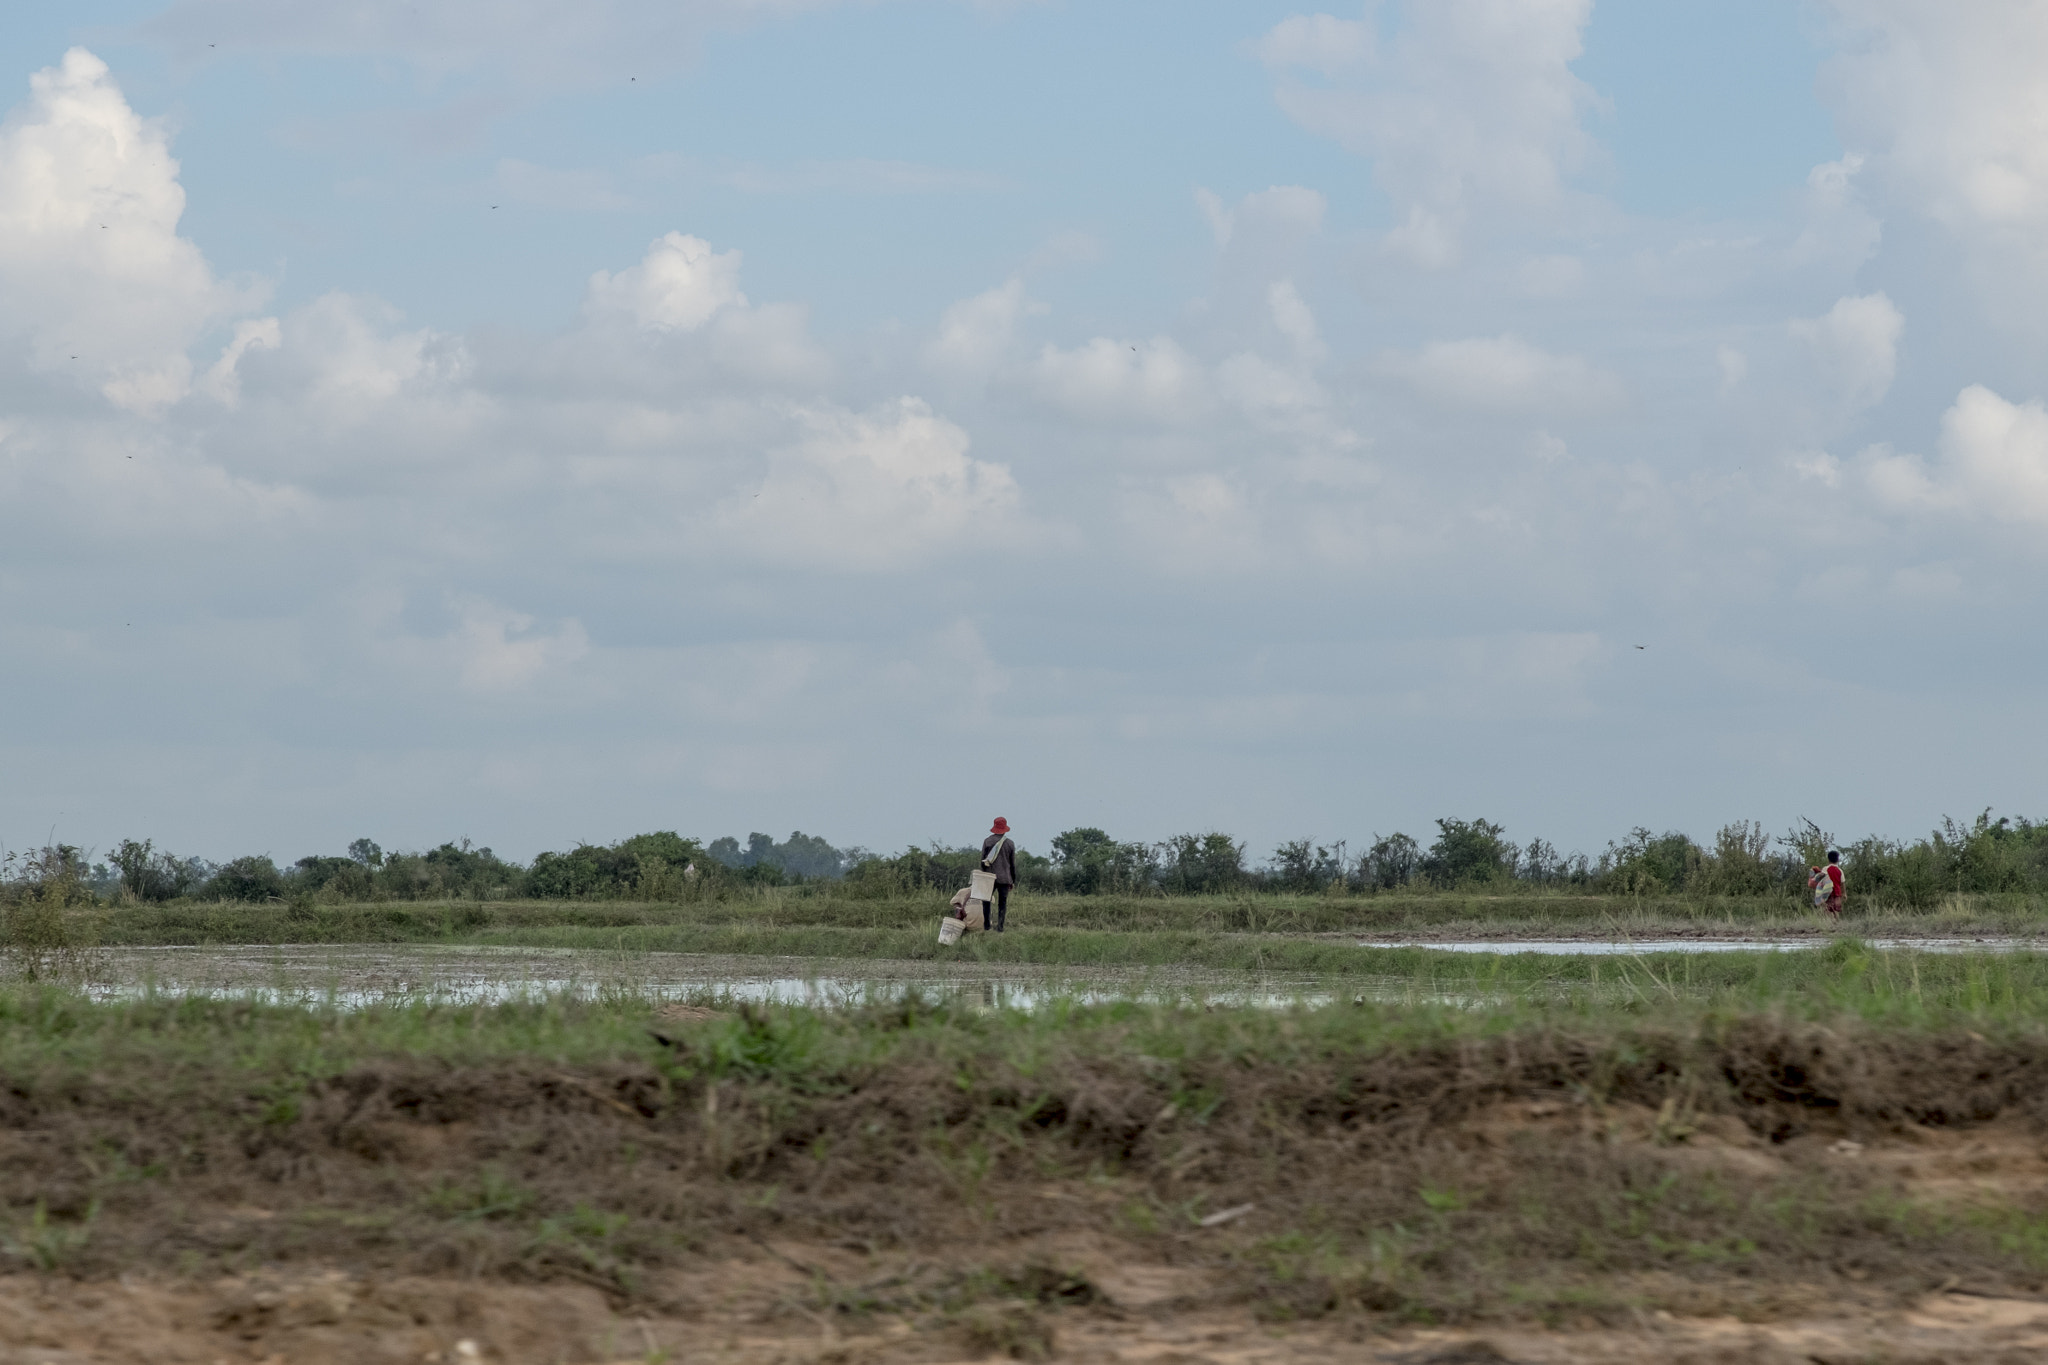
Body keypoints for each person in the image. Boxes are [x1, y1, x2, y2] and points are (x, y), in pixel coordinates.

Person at [980, 817, 1017, 933]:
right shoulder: (1010, 844)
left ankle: (987, 926)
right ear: (1005, 829)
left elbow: (983, 861)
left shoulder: (987, 841)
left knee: (986, 901)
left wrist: (984, 874)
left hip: (989, 877)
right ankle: (1000, 928)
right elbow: (1012, 864)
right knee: (1002, 903)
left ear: (994, 827)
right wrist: (1012, 880)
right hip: (1005, 878)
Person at [1808, 848, 1845, 922]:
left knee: (1827, 908)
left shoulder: (1825, 869)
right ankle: (1837, 924)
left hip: (1827, 891)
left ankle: (1828, 923)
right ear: (1837, 860)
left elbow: (1821, 878)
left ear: (1828, 859)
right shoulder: (1840, 870)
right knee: (1836, 909)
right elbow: (1842, 883)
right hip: (1837, 893)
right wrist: (1844, 893)